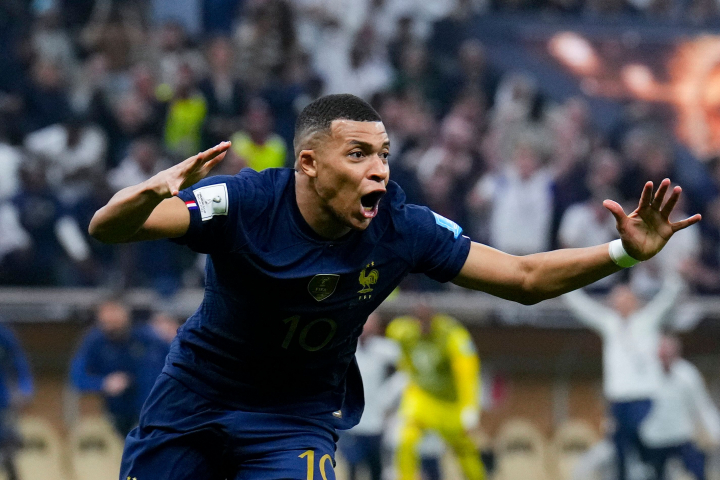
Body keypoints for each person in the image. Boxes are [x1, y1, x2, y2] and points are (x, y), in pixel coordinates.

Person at [88, 93, 699, 480]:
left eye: (383, 154)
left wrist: (623, 252)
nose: (378, 169)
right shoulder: (244, 201)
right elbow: (109, 228)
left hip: (292, 420)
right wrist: (149, 191)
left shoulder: (402, 228)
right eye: (358, 154)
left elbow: (524, 279)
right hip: (194, 399)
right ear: (309, 164)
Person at [563, 278, 685, 480]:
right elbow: (584, 309)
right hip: (619, 400)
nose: (617, 302)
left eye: (623, 297)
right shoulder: (609, 323)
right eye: (615, 298)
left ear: (633, 300)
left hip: (644, 398)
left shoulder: (646, 320)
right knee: (619, 449)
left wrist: (676, 278)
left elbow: (665, 301)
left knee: (647, 445)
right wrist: (567, 289)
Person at [387, 303, 483, 480]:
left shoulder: (452, 334)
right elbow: (394, 338)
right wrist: (406, 370)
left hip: (450, 402)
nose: (422, 327)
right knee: (406, 439)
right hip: (423, 397)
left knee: (465, 450)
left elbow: (468, 373)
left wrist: (470, 407)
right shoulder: (404, 332)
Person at [70, 300, 170, 436]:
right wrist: (103, 383)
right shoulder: (94, 341)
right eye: (106, 322)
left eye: (115, 321)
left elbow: (177, 366)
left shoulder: (148, 337)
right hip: (116, 414)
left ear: (126, 316)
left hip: (152, 412)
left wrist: (174, 338)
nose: (110, 327)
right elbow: (77, 378)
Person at [641, 335, 720, 480]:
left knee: (698, 470)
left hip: (681, 435)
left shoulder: (687, 374)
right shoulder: (643, 375)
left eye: (669, 353)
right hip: (654, 439)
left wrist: (715, 431)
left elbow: (702, 404)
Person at [337, 312, 400, 480]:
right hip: (351, 421)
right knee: (351, 468)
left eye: (370, 323)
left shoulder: (386, 349)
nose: (365, 327)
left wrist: (388, 397)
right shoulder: (346, 348)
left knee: (375, 468)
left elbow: (404, 373)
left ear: (377, 327)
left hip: (376, 421)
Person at [0, 321, 34, 480]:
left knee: (9, 448)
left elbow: (20, 363)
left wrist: (25, 389)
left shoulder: (4, 335)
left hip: (3, 404)